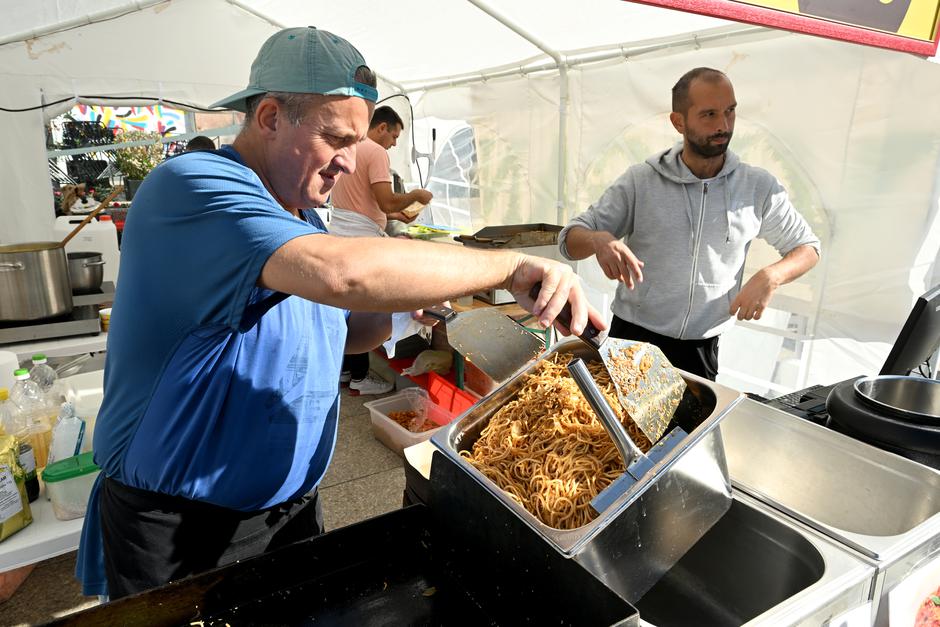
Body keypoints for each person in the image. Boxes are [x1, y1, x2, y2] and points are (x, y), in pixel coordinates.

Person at [76, 26, 600, 600]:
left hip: (290, 509)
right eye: (335, 138)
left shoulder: (302, 211)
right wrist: (506, 267)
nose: (349, 164)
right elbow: (340, 274)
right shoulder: (196, 188)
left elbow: (342, 329)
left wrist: (405, 313)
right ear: (271, 116)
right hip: (183, 527)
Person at [559, 67, 820, 380]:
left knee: (690, 431)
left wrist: (772, 275)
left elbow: (808, 248)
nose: (723, 125)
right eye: (709, 114)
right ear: (678, 121)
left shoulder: (758, 187)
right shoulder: (641, 181)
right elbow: (570, 240)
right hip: (633, 340)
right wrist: (599, 240)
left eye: (730, 111)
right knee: (620, 429)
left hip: (702, 349)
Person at [329, 105, 434, 394]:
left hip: (343, 232)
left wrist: (398, 216)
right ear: (381, 128)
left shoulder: (350, 149)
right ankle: (362, 376)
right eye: (395, 135)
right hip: (361, 239)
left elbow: (367, 205)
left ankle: (348, 371)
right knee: (365, 304)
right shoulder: (375, 151)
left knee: (347, 305)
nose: (395, 143)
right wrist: (415, 195)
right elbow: (386, 201)